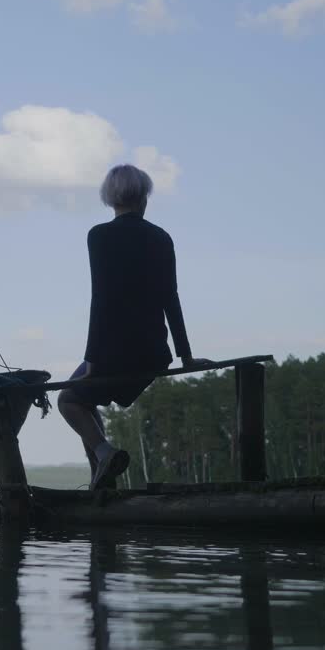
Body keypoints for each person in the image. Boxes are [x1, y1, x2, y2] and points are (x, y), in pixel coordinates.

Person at [58, 164, 210, 490]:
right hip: (154, 353)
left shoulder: (99, 236)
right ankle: (102, 479)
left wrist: (92, 361)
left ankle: (104, 453)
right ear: (143, 197)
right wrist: (186, 357)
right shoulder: (161, 238)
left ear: (110, 198)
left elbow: (102, 299)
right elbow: (172, 298)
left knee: (69, 399)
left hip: (113, 352)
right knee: (86, 399)